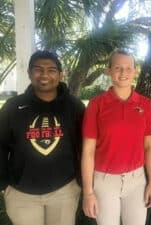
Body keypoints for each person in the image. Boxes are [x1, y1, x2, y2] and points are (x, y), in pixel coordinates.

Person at [0, 50, 85, 225]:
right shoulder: (13, 107)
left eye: (51, 70)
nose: (44, 74)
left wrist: (81, 182)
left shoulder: (74, 107)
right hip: (21, 193)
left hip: (64, 190)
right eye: (38, 69)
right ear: (30, 73)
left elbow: (85, 146)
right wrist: (3, 184)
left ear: (60, 74)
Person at [81, 49, 151, 225]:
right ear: (108, 71)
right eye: (117, 68)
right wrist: (88, 192)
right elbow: (88, 150)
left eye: (128, 68)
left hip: (137, 181)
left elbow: (149, 146)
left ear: (135, 71)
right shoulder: (96, 104)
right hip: (104, 181)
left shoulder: (145, 104)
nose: (123, 73)